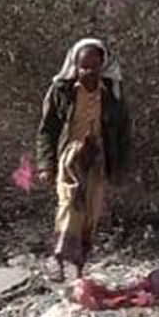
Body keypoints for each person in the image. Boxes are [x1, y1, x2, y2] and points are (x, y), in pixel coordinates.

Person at [35, 38, 132, 280]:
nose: (89, 72)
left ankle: (77, 262)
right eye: (83, 66)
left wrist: (120, 167)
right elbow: (47, 130)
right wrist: (46, 164)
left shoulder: (112, 95)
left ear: (103, 65)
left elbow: (123, 132)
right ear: (75, 65)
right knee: (69, 203)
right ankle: (59, 257)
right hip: (70, 156)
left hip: (98, 158)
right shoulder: (61, 92)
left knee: (91, 211)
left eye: (94, 66)